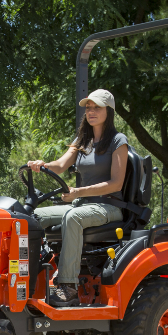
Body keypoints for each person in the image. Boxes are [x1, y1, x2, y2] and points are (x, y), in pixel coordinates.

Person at [26, 89, 128, 307]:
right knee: (30, 216)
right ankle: (27, 277)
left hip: (108, 206)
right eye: (88, 107)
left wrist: (78, 192)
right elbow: (61, 165)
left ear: (108, 111)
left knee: (73, 217)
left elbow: (116, 184)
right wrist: (42, 165)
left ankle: (67, 287)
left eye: (97, 107)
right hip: (81, 204)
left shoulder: (118, 141)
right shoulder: (83, 139)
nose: (91, 112)